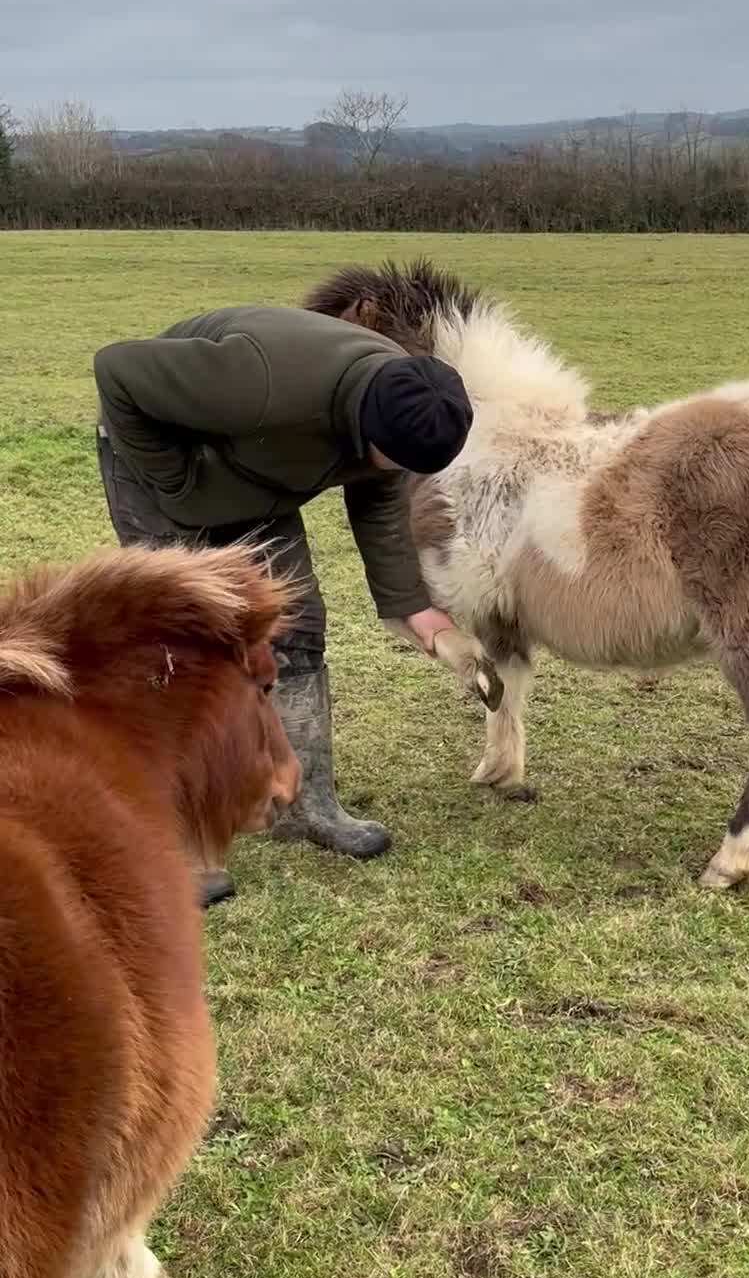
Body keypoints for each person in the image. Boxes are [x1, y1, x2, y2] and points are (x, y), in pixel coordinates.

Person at [93, 302, 472, 906]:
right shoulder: (261, 381)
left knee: (295, 624)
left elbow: (377, 499)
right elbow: (117, 370)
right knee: (183, 649)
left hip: (259, 477)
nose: (395, 471)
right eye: (394, 459)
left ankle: (306, 805)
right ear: (367, 423)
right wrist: (178, 484)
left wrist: (414, 608)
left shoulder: (401, 397)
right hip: (163, 459)